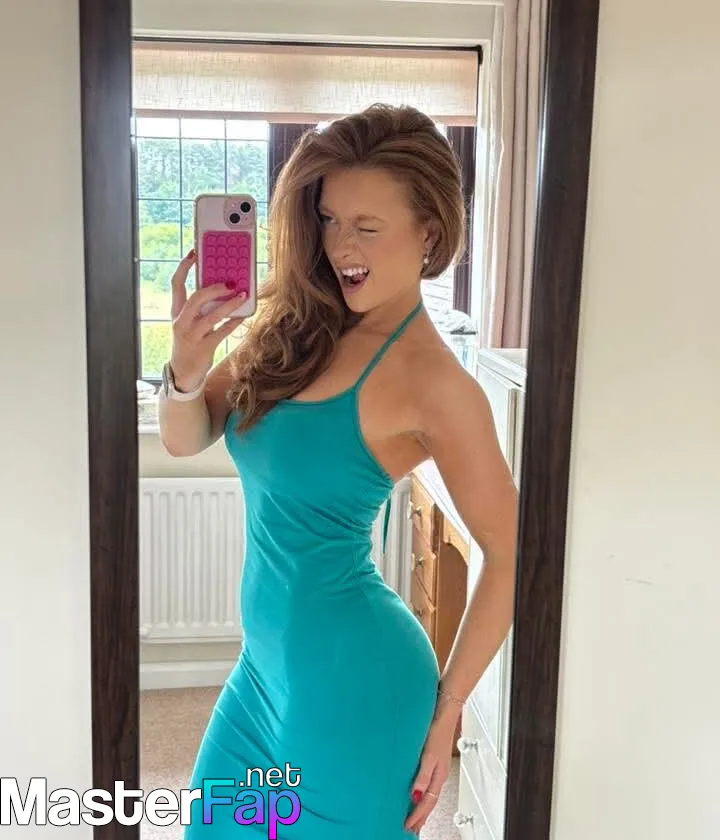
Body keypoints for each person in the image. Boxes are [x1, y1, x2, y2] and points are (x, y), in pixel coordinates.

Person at [159, 103, 518, 839]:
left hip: (356, 689)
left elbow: (514, 551)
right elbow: (185, 437)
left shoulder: (437, 384)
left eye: (367, 226)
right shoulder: (295, 325)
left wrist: (449, 708)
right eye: (328, 219)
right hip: (260, 677)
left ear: (429, 232)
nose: (340, 246)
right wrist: (187, 366)